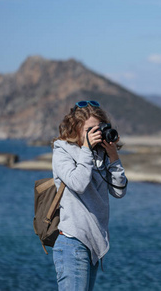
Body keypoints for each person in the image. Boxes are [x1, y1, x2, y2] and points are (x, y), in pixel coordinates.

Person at [51, 100, 128, 291]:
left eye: (99, 128)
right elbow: (78, 184)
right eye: (90, 129)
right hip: (72, 240)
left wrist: (113, 158)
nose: (96, 134)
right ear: (76, 129)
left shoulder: (100, 154)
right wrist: (86, 149)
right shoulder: (62, 151)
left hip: (94, 244)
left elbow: (119, 192)